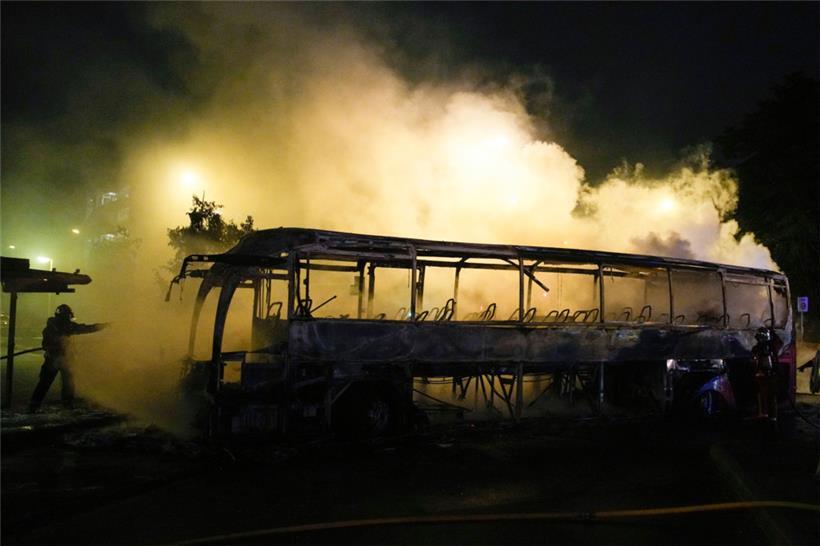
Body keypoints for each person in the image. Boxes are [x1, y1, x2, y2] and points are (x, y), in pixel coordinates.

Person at [29, 304, 106, 412]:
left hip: (62, 359)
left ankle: (37, 406)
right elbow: (86, 328)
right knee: (54, 383)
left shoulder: (55, 327)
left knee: (62, 383)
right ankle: (61, 406)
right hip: (54, 359)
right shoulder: (59, 328)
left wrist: (104, 326)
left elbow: (86, 328)